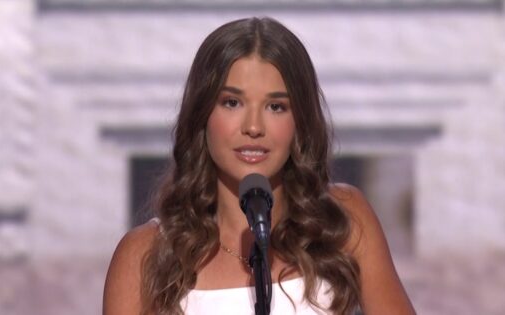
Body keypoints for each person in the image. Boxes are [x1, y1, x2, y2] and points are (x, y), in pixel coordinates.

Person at [103, 17, 415, 315]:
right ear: (202, 114)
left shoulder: (342, 221)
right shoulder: (145, 255)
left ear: (300, 121)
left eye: (276, 106)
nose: (254, 127)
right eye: (232, 102)